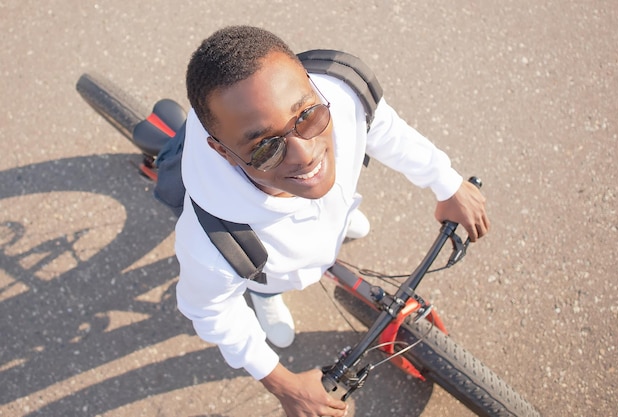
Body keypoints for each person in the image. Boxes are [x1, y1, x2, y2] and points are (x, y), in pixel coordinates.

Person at [175, 25, 489, 417]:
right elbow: (211, 310)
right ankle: (266, 296)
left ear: (310, 84)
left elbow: (385, 130)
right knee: (267, 278)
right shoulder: (211, 246)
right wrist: (280, 381)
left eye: (307, 115)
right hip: (274, 267)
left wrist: (447, 183)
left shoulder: (342, 93)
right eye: (265, 147)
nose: (305, 154)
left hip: (329, 220)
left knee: (329, 220)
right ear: (222, 152)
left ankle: (331, 224)